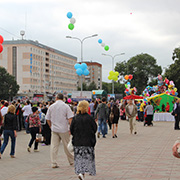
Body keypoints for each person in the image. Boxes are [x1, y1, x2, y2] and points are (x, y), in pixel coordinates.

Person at [70, 100, 97, 180]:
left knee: (79, 158)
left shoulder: (75, 118)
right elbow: (95, 128)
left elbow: (71, 130)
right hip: (88, 142)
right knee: (86, 158)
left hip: (78, 142)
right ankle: (83, 173)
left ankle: (80, 173)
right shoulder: (90, 118)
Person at [45, 93, 74, 168]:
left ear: (56, 98)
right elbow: (70, 118)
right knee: (67, 145)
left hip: (54, 129)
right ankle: (71, 161)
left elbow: (47, 118)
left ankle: (53, 162)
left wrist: (51, 126)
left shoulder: (51, 106)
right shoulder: (66, 106)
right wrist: (71, 128)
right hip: (64, 129)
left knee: (54, 146)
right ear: (63, 98)